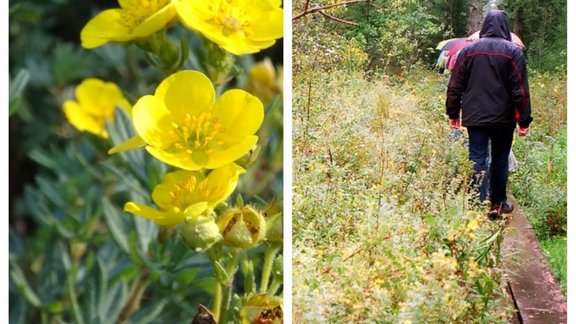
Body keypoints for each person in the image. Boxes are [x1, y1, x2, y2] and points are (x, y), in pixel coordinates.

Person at [446, 10, 532, 219]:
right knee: (500, 158)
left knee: (477, 157)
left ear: (485, 26)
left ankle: (477, 204)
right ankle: (498, 203)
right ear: (505, 27)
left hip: (475, 116)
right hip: (504, 118)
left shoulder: (468, 51)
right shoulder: (514, 52)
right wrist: (524, 120)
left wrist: (453, 113)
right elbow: (520, 89)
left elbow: (455, 85)